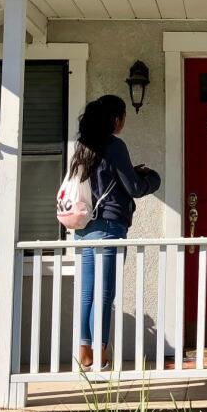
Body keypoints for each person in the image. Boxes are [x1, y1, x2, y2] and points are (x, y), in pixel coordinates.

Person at [70, 94, 160, 370]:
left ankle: (85, 353)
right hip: (109, 226)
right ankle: (101, 355)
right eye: (123, 118)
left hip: (85, 228)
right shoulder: (114, 145)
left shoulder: (83, 147)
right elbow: (133, 187)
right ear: (116, 119)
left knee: (88, 293)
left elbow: (101, 179)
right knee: (105, 294)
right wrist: (153, 178)